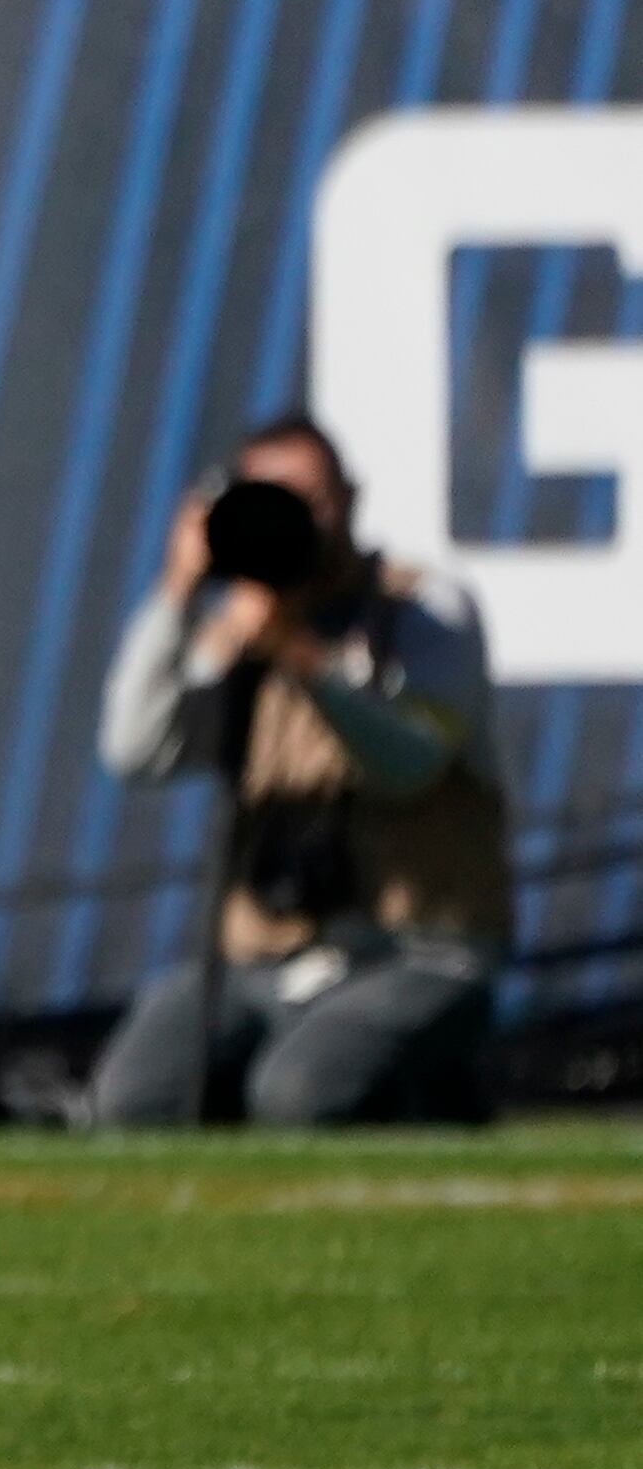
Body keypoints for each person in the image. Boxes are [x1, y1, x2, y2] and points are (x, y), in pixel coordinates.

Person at [88, 411, 510, 1129]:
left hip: (418, 952)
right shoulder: (238, 631)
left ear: (350, 500)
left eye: (310, 501)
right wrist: (178, 593)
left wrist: (302, 656)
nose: (295, 524)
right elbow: (134, 750)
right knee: (134, 1101)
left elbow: (410, 761)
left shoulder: (425, 609)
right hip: (263, 960)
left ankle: (435, 1093)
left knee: (300, 1096)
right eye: (269, 503)